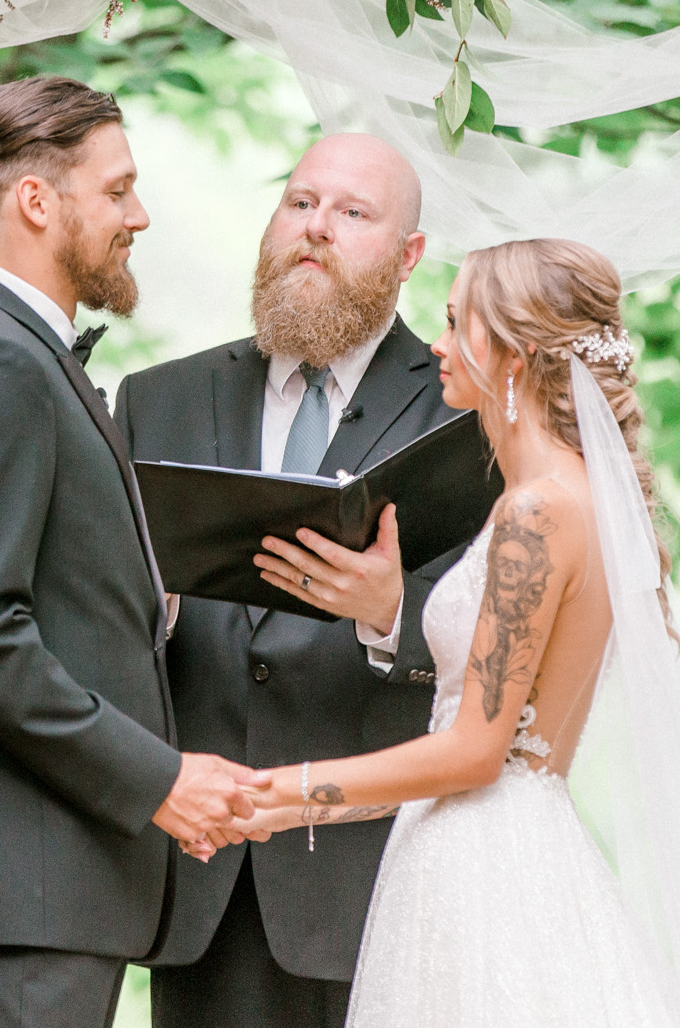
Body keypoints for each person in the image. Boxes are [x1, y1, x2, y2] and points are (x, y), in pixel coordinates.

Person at [0, 76, 268, 1028]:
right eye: (117, 189)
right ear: (37, 200)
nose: (139, 215)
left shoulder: (23, 357)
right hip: (20, 898)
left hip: (47, 898)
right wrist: (161, 777)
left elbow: (40, 595)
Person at [240, 238, 673, 1028]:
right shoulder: (581, 499)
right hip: (521, 844)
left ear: (515, 351)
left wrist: (290, 792)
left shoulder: (536, 512)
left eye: (454, 322)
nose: (437, 345)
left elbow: (475, 751)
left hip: (484, 869)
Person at [112, 133, 478, 1028]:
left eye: (353, 213)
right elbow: (98, 623)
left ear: (409, 256)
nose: (317, 228)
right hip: (205, 871)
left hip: (384, 870)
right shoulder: (155, 398)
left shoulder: (461, 404)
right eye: (301, 202)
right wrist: (146, 610)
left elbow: (511, 630)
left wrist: (390, 610)